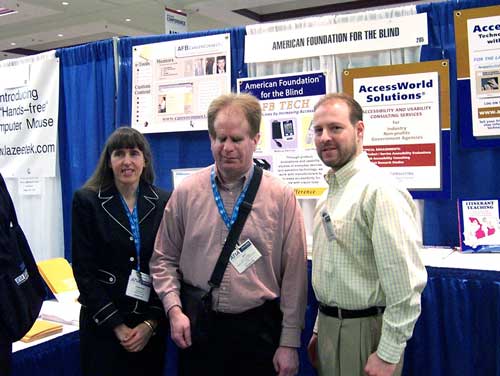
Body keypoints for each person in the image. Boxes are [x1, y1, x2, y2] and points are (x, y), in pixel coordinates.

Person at [150, 93, 307, 376]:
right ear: (210, 139)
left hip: (258, 334)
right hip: (199, 331)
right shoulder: (187, 193)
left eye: (237, 139)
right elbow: (163, 259)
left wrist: (289, 342)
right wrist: (174, 310)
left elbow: (294, 274)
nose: (227, 148)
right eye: (220, 138)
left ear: (255, 139)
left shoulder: (281, 196)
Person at [307, 93, 427, 376]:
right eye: (318, 130)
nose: (325, 137)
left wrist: (387, 354)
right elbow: (333, 271)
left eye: (336, 128)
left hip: (365, 335)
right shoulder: (330, 194)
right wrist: (319, 328)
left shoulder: (380, 191)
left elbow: (405, 286)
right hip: (329, 329)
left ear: (359, 130)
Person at [72, 127, 170, 376]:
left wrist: (150, 324)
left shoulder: (163, 201)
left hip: (149, 328)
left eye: (134, 153)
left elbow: (169, 264)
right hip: (103, 327)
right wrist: (117, 326)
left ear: (145, 160)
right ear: (109, 160)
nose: (127, 161)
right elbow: (83, 272)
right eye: (119, 154)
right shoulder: (87, 201)